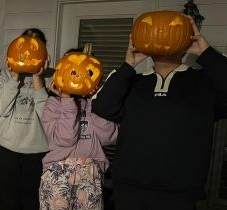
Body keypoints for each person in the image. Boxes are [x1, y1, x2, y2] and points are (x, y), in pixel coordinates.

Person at [92, 17, 227, 209]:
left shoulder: (205, 82)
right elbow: (102, 106)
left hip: (181, 192)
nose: (163, 35)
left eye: (173, 30)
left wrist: (205, 53)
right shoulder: (131, 81)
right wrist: (129, 65)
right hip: (129, 189)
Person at [0, 28, 52, 210]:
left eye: (35, 47)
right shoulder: (4, 75)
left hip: (38, 151)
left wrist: (37, 77)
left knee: (32, 201)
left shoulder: (53, 77)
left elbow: (48, 117)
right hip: (8, 148)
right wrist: (14, 76)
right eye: (23, 45)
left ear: (44, 50)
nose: (27, 52)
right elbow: (1, 108)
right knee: (8, 201)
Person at [39, 81, 118, 209]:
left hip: (90, 173)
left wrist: (96, 102)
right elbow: (65, 139)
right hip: (58, 173)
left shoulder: (98, 105)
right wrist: (67, 100)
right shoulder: (54, 103)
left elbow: (109, 137)